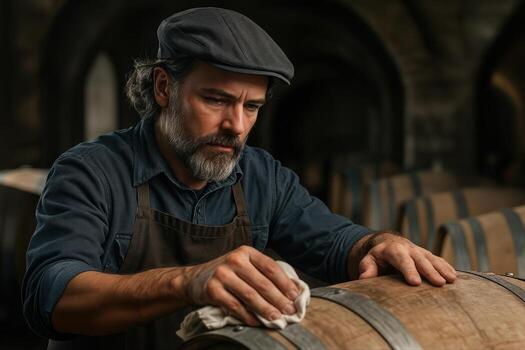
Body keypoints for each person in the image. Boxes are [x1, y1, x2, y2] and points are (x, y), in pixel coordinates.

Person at [22, 7, 456, 349]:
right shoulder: (90, 171)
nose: (236, 125)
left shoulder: (263, 176)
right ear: (162, 88)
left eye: (252, 107)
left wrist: (376, 244)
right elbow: (51, 296)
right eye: (216, 99)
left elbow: (335, 242)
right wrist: (187, 281)